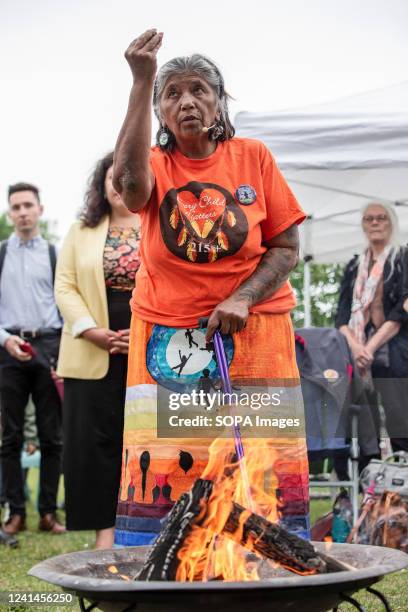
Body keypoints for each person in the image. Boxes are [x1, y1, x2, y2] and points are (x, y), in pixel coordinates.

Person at [112, 29, 310, 547]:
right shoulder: (155, 164)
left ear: (220, 103)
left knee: (260, 453)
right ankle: (169, 561)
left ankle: (271, 557)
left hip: (257, 330)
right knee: (170, 457)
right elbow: (130, 186)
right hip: (169, 333)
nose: (187, 101)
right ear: (159, 112)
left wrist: (243, 296)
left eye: (199, 89)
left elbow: (286, 247)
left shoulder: (253, 156)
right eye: (172, 93)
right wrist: (140, 82)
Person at [55, 151, 141, 549]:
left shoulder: (161, 226)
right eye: (113, 177)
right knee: (94, 444)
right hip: (91, 347)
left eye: (129, 177)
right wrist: (93, 331)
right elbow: (65, 287)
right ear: (102, 185)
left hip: (151, 345)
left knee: (143, 441)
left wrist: (140, 334)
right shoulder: (79, 231)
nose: (120, 184)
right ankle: (105, 534)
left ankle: (144, 530)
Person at [0, 182, 64, 536]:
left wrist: (64, 351)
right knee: (10, 436)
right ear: (10, 214)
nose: (22, 212)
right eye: (16, 207)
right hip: (8, 349)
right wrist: (5, 339)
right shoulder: (1, 254)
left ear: (40, 209)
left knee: (51, 436)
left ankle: (49, 514)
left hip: (49, 346)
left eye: (28, 205)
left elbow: (65, 303)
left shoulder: (55, 254)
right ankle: (15, 512)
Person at [336, 201, 408, 452]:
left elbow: (403, 309)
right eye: (369, 219)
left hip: (395, 351)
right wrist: (357, 349)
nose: (375, 223)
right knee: (364, 422)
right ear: (363, 225)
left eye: (381, 218)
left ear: (391, 222)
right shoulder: (355, 265)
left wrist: (371, 346)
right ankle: (368, 481)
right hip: (358, 355)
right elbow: (341, 315)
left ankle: (401, 481)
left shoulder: (402, 258)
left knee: (400, 417)